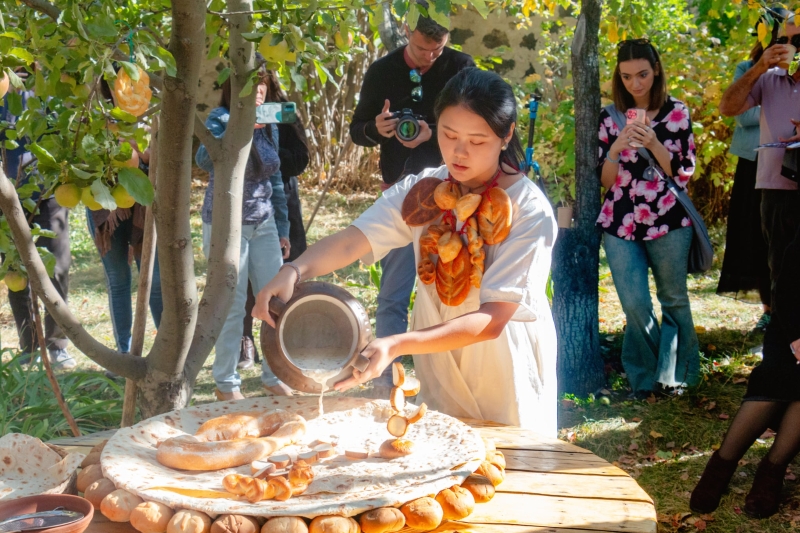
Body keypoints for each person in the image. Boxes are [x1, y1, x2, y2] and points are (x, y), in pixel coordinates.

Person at [255, 68, 559, 434]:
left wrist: (397, 344)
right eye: (449, 134)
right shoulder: (424, 192)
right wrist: (294, 271)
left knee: (511, 468)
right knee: (449, 457)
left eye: (477, 141)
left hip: (505, 364)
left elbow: (493, 319)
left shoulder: (528, 209)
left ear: (506, 134)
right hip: (440, 356)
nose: (459, 152)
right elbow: (356, 238)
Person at [349, 0, 475, 395]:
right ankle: (385, 378)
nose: (429, 57)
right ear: (407, 32)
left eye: (437, 50)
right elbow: (357, 129)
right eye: (422, 49)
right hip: (402, 197)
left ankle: (448, 377)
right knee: (394, 290)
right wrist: (379, 128)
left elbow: (475, 119)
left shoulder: (461, 67)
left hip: (455, 193)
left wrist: (433, 131)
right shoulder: (382, 71)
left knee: (459, 291)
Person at [596, 39, 700, 399]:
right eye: (626, 77)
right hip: (620, 219)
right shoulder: (610, 117)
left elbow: (681, 174)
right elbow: (607, 182)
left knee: (673, 298)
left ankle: (679, 375)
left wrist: (654, 143)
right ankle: (645, 378)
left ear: (656, 70)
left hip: (667, 217)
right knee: (635, 304)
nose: (635, 84)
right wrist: (615, 148)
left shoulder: (677, 113)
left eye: (642, 74)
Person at [196, 65, 293, 400]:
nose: (259, 97)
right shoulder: (219, 119)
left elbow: (276, 179)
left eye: (264, 92)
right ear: (236, 93)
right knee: (233, 304)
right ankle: (226, 383)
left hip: (264, 222)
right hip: (227, 223)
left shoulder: (270, 125)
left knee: (275, 300)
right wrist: (239, 131)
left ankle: (273, 375)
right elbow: (203, 161)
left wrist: (283, 227)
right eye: (254, 92)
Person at [690, 222, 800, 518]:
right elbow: (787, 289)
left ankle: (772, 469)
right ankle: (722, 465)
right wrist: (797, 340)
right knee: (773, 382)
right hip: (792, 324)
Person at [719, 13, 800, 320]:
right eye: (783, 40)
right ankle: (782, 349)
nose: (790, 47)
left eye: (798, 41)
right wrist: (760, 66)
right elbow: (728, 108)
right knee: (779, 269)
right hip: (774, 185)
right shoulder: (766, 78)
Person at [86, 79, 163, 359]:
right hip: (106, 209)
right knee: (118, 280)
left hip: (141, 207)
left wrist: (138, 145)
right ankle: (125, 351)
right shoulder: (97, 120)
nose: (130, 93)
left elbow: (156, 159)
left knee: (152, 279)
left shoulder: (150, 119)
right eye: (123, 87)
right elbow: (87, 162)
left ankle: (161, 351)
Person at [1, 84, 75, 369]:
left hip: (48, 195)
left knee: (57, 267)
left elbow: (62, 138)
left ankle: (57, 345)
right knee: (14, 271)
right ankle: (30, 347)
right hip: (6, 198)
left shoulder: (47, 92)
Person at [240, 71, 310, 370]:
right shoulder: (230, 117)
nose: (257, 92)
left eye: (262, 87)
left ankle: (291, 336)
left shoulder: (281, 113)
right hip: (244, 203)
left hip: (280, 197)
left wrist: (265, 148)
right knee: (243, 278)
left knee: (292, 269)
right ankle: (246, 341)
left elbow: (300, 159)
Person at [716, 29, 777, 332]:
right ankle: (768, 310)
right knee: (756, 237)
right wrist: (780, 107)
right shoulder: (747, 68)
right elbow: (742, 116)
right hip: (753, 163)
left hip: (787, 163)